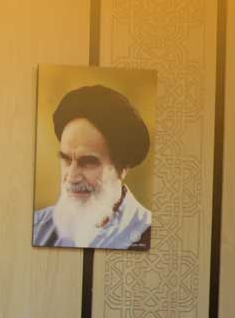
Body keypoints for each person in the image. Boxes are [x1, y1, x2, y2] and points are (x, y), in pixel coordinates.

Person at [33, 84, 153, 249]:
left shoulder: (149, 236)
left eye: (87, 162)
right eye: (66, 160)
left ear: (122, 168)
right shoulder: (37, 228)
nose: (72, 177)